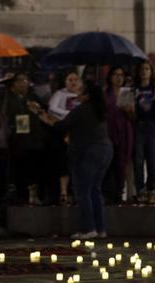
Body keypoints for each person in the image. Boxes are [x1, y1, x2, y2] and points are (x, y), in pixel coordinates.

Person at [32, 79, 113, 240]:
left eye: (81, 90)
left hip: (87, 152)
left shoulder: (82, 109)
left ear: (87, 95)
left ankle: (87, 228)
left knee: (83, 191)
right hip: (104, 150)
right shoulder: (99, 110)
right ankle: (100, 228)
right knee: (95, 190)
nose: (77, 93)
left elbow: (61, 126)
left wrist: (41, 114)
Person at [4, 72, 44, 205]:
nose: (22, 83)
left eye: (25, 80)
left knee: (33, 166)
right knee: (16, 167)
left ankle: (33, 194)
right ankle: (17, 194)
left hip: (32, 138)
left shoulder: (33, 97)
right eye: (18, 81)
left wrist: (37, 110)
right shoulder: (7, 98)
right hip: (15, 139)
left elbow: (43, 113)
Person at [131, 61, 155, 204]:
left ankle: (151, 191)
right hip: (138, 126)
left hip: (153, 127)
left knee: (153, 162)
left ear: (151, 72)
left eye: (147, 69)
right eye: (142, 69)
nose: (144, 71)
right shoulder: (133, 89)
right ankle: (140, 191)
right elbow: (130, 114)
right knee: (138, 161)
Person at [47, 69, 81, 204]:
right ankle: (63, 192)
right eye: (70, 80)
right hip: (62, 131)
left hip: (79, 133)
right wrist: (68, 113)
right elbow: (52, 108)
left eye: (75, 79)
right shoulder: (60, 94)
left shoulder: (82, 95)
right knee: (64, 162)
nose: (73, 82)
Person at [104, 66, 134, 204]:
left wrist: (129, 110)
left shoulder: (127, 93)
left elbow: (133, 116)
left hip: (123, 130)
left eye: (121, 75)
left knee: (121, 163)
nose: (118, 77)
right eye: (115, 74)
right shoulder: (105, 92)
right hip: (108, 130)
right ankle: (108, 192)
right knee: (108, 162)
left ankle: (119, 193)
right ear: (110, 77)